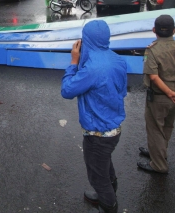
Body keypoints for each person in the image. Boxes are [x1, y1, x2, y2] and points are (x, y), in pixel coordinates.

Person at [61, 20, 127, 213]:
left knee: (97, 175)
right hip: (113, 129)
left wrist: (73, 62)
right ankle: (107, 192)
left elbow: (67, 90)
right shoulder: (117, 59)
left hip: (97, 133)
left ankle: (108, 205)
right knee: (104, 164)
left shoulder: (91, 68)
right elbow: (122, 91)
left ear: (86, 39)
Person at [137, 15, 175, 174]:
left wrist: (168, 92)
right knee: (167, 126)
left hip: (160, 95)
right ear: (174, 30)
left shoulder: (152, 50)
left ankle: (158, 165)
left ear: (154, 30)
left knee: (155, 129)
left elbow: (153, 76)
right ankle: (159, 153)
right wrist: (174, 93)